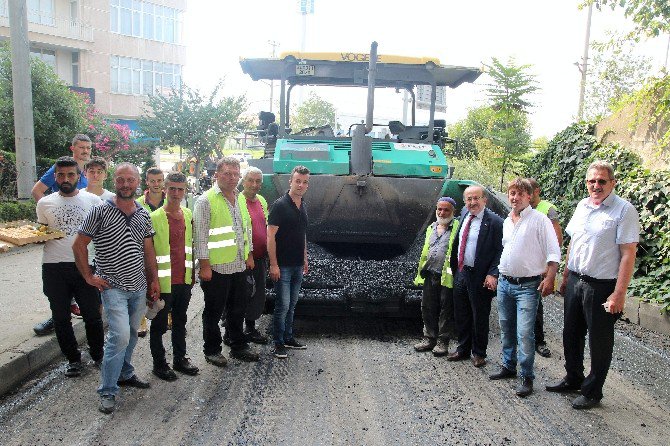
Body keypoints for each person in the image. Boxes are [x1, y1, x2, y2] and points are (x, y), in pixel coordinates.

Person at [546, 161, 639, 410]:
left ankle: (593, 391)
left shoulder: (623, 210)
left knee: (599, 340)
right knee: (571, 333)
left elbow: (629, 254)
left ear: (612, 183)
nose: (596, 185)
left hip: (602, 285)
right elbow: (574, 243)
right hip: (576, 279)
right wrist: (565, 276)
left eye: (601, 181)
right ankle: (573, 377)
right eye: (591, 181)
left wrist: (619, 293)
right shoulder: (582, 206)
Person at [72, 162, 160, 415]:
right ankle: (107, 390)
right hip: (113, 287)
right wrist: (88, 276)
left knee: (131, 333)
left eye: (130, 180)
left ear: (137, 182)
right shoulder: (100, 211)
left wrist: (153, 280)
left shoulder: (143, 214)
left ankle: (125, 372)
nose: (125, 185)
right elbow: (79, 245)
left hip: (138, 287)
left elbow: (148, 250)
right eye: (121, 180)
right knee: (119, 336)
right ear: (115, 181)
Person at [489, 178, 560, 397]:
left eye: (520, 194)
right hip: (505, 283)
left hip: (528, 286)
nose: (515, 197)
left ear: (529, 196)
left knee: (525, 333)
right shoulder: (507, 221)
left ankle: (526, 376)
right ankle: (509, 366)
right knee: (507, 328)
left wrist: (549, 278)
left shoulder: (540, 220)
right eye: (512, 193)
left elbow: (553, 251)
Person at [36, 156, 104, 377]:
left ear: (79, 176)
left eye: (70, 174)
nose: (66, 179)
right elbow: (42, 233)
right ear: (55, 177)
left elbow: (103, 232)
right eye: (61, 175)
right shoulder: (44, 203)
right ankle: (73, 359)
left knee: (92, 315)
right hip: (53, 267)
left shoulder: (92, 201)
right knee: (60, 317)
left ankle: (98, 354)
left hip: (85, 266)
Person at [194, 156, 259, 367]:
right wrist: (204, 266)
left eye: (235, 174)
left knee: (238, 308)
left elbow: (245, 228)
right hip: (216, 268)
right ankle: (211, 350)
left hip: (238, 264)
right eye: (227, 174)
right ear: (217, 175)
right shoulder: (205, 201)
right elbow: (200, 237)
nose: (232, 178)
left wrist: (248, 255)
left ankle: (236, 343)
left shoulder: (239, 197)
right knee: (213, 311)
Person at [32, 134, 92, 336]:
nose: (85, 151)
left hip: (84, 246)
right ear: (72, 148)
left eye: (88, 147)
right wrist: (55, 212)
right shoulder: (62, 169)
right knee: (59, 294)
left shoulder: (86, 171)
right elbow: (37, 191)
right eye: (81, 147)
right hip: (59, 251)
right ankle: (57, 317)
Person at [149, 171, 200, 381]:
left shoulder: (188, 215)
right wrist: (152, 281)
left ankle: (180, 358)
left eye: (180, 189)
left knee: (180, 321)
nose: (176, 193)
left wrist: (192, 274)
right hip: (163, 283)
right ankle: (159, 364)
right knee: (159, 325)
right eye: (172, 189)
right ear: (165, 189)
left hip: (184, 280)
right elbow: (148, 253)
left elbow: (191, 246)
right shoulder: (155, 218)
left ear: (185, 191)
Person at [447, 185, 503, 368]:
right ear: (465, 201)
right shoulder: (464, 214)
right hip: (462, 273)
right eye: (469, 199)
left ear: (484, 200)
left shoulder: (495, 222)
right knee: (461, 313)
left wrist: (493, 273)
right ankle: (463, 348)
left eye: (476, 198)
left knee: (480, 315)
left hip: (481, 276)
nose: (472, 202)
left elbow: (500, 251)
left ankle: (479, 353)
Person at [268, 165, 310, 359]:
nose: (301, 185)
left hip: (297, 265)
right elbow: (270, 237)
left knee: (292, 304)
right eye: (297, 181)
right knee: (282, 305)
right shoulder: (280, 205)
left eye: (304, 182)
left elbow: (302, 234)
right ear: (290, 182)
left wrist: (305, 257)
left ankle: (288, 337)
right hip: (283, 266)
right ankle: (278, 343)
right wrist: (274, 264)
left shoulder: (303, 205)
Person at [413, 197, 460, 356]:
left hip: (446, 275)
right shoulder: (431, 228)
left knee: (446, 310)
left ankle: (442, 342)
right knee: (427, 307)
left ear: (453, 211)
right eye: (439, 209)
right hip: (430, 273)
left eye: (446, 210)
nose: (442, 212)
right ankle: (429, 338)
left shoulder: (457, 228)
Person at [528, 177, 563, 358]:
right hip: (524, 266)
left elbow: (557, 240)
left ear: (537, 191)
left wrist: (549, 269)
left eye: (529, 191)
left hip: (539, 267)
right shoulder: (522, 209)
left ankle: (539, 341)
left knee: (535, 304)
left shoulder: (547, 209)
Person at [238, 166, 270, 344]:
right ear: (243, 181)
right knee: (240, 295)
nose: (254, 184)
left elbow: (265, 227)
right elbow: (241, 231)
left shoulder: (262, 201)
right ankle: (232, 330)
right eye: (250, 180)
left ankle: (250, 327)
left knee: (257, 294)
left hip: (260, 257)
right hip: (242, 259)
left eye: (258, 181)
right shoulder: (237, 200)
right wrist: (247, 255)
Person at [136, 167, 166, 338]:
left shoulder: (171, 200)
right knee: (143, 285)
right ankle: (141, 321)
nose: (156, 184)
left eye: (159, 180)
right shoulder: (139, 203)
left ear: (163, 181)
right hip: (143, 250)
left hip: (164, 250)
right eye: (152, 181)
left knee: (165, 285)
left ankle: (167, 317)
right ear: (146, 182)